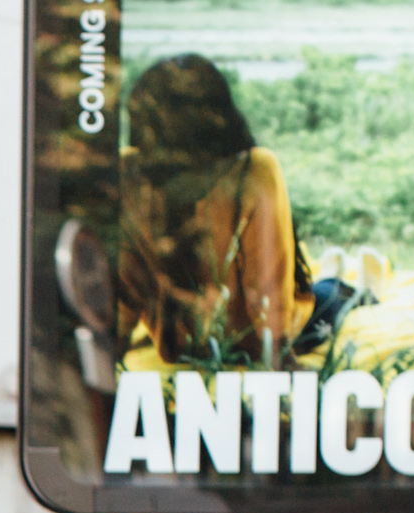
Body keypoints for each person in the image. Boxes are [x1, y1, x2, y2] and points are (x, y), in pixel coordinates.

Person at [115, 53, 319, 369]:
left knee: (319, 288)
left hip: (176, 346)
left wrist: (113, 347)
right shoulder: (254, 169)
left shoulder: (127, 172)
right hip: (251, 344)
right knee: (330, 296)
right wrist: (282, 359)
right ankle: (356, 282)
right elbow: (269, 285)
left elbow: (124, 286)